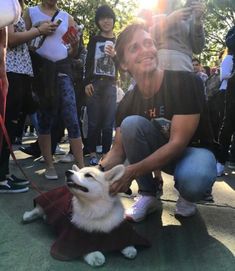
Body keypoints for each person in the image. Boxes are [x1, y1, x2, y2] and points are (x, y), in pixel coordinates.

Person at [99, 23, 217, 222]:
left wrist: (130, 172)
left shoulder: (187, 82)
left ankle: (188, 197)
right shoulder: (127, 102)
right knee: (130, 124)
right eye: (134, 48)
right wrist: (91, 176)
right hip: (162, 154)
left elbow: (177, 144)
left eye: (148, 43)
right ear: (124, 64)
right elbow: (117, 152)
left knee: (194, 179)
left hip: (193, 152)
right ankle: (147, 195)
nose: (145, 50)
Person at [24, 0, 84, 179]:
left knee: (72, 116)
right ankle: (49, 165)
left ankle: (81, 168)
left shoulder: (67, 17)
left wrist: (74, 44)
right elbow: (23, 42)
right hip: (42, 71)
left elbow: (72, 52)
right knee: (45, 117)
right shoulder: (31, 12)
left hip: (63, 69)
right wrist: (37, 29)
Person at [84, 5, 117, 166]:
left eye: (109, 17)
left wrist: (115, 56)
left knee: (108, 123)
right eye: (102, 18)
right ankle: (91, 152)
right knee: (93, 122)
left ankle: (106, 153)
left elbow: (123, 66)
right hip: (94, 84)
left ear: (113, 20)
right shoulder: (94, 40)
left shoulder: (119, 42)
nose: (106, 21)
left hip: (111, 85)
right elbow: (88, 62)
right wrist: (87, 83)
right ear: (98, 21)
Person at [150, 0, 205, 72]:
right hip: (160, 66)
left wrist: (197, 21)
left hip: (184, 66)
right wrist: (170, 20)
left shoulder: (191, 15)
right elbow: (148, 37)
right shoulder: (155, 9)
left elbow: (198, 49)